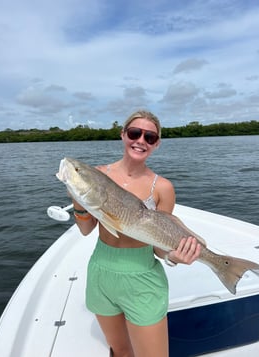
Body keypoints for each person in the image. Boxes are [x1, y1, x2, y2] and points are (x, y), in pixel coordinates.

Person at [71, 110, 201, 357]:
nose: (141, 140)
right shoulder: (97, 175)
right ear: (123, 135)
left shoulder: (162, 188)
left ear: (156, 144)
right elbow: (87, 229)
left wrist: (175, 256)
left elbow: (160, 246)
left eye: (149, 137)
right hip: (101, 271)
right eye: (134, 133)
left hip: (142, 278)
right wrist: (78, 201)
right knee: (120, 351)